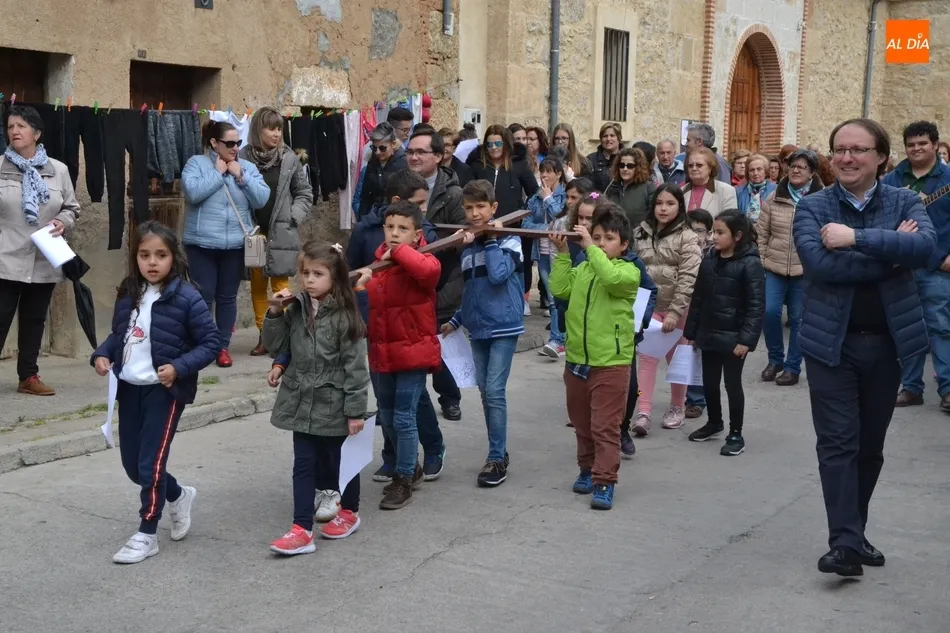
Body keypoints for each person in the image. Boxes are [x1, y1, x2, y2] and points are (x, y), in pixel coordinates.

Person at [794, 118, 935, 577]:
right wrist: (894, 251)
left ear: (881, 158)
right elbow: (820, 265)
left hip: (889, 344)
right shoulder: (813, 207)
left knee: (870, 447)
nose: (847, 158)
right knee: (838, 444)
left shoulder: (906, 199)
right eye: (839, 150)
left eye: (858, 149)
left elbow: (927, 248)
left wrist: (853, 238)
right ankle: (846, 545)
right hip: (830, 346)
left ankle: (854, 532)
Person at [92, 221, 220, 564]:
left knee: (150, 466)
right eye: (144, 255)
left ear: (173, 258)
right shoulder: (128, 293)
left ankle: (147, 532)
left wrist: (179, 367)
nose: (152, 262)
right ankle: (178, 494)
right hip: (129, 390)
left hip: (164, 393)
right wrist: (102, 353)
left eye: (160, 255)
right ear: (135, 258)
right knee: (135, 468)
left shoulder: (187, 297)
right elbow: (121, 335)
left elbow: (211, 342)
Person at [264, 242, 370, 555]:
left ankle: (349, 512)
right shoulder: (296, 308)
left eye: (318, 274)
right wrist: (273, 313)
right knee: (303, 465)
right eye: (305, 273)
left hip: (334, 402)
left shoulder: (345, 317)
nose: (309, 280)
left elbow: (356, 368)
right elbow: (276, 344)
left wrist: (355, 411)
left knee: (340, 462)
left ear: (335, 279)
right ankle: (302, 529)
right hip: (301, 401)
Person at [549, 206, 640, 510]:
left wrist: (589, 248)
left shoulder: (628, 272)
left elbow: (611, 278)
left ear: (624, 245)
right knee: (582, 424)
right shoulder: (585, 268)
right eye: (596, 237)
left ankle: (604, 480)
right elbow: (559, 288)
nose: (600, 243)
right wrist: (563, 253)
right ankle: (586, 469)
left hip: (611, 363)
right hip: (577, 359)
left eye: (608, 238)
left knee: (605, 426)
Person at [353, 201, 442, 509]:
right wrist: (363, 289)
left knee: (404, 417)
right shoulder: (379, 269)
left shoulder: (426, 261)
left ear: (417, 235)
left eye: (403, 229)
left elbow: (426, 271)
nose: (394, 234)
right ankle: (410, 466)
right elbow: (374, 314)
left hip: (413, 354)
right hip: (384, 353)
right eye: (390, 228)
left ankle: (403, 477)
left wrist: (400, 252)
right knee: (387, 416)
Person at [442, 180, 525, 487]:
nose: (474, 213)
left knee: (494, 391)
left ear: (493, 208)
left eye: (480, 207)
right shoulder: (467, 247)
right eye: (469, 208)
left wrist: (491, 240)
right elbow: (472, 291)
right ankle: (498, 453)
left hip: (504, 326)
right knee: (485, 394)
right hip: (477, 327)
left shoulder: (510, 241)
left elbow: (499, 275)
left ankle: (496, 456)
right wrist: (456, 319)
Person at [0, 105, 81, 396]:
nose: (15, 131)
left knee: (35, 319)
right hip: (5, 256)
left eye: (21, 126)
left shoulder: (57, 170)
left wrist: (62, 220)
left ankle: (28, 377)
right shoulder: (1, 167)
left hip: (43, 257)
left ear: (37, 133)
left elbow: (72, 208)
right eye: (10, 127)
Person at [182, 120, 270, 369]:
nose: (235, 148)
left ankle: (222, 347)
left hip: (235, 244)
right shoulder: (196, 164)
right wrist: (217, 172)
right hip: (201, 244)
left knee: (227, 297)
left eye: (238, 143)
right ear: (214, 143)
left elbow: (262, 198)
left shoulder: (247, 167)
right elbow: (193, 193)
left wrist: (240, 176)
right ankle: (202, 345)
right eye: (229, 143)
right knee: (203, 296)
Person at [683, 210, 765, 455]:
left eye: (720, 232)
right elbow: (698, 298)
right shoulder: (709, 259)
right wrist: (693, 332)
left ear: (737, 236)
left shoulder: (750, 264)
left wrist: (746, 340)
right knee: (709, 382)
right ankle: (714, 422)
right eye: (712, 232)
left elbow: (756, 306)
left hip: (734, 339)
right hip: (709, 333)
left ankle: (735, 433)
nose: (713, 237)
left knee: (732, 384)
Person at [882, 121, 950, 409]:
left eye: (922, 143)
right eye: (911, 144)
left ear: (935, 144)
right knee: (905, 328)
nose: (916, 148)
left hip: (937, 266)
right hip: (901, 266)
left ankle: (947, 388)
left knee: (941, 327)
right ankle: (911, 387)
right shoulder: (892, 180)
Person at [239, 107, 314, 356]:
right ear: (257, 129)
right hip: (255, 231)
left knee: (281, 283)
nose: (276, 133)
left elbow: (305, 192)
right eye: (271, 128)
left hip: (282, 232)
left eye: (279, 128)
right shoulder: (243, 158)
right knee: (258, 286)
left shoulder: (289, 159)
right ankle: (264, 336)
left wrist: (293, 217)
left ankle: (281, 334)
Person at [631, 184, 702, 434]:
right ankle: (643, 411)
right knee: (647, 360)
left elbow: (688, 277)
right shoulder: (640, 232)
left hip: (678, 309)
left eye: (670, 203)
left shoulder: (688, 236)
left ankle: (677, 407)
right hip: (649, 308)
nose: (663, 208)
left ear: (679, 207)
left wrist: (675, 311)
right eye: (659, 202)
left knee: (677, 361)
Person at [757, 149, 824, 386]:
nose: (796, 170)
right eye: (793, 166)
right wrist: (763, 258)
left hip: (805, 271)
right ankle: (775, 359)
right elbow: (762, 232)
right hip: (774, 267)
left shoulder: (822, 200)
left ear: (812, 173)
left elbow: (827, 236)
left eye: (802, 167)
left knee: (798, 319)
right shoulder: (775, 197)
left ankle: (792, 367)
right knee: (770, 313)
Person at [466, 124, 538, 316]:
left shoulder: (519, 165)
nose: (494, 148)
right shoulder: (477, 166)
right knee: (486, 264)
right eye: (490, 144)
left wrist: (523, 211)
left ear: (505, 144)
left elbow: (534, 192)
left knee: (515, 265)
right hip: (483, 225)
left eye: (498, 143)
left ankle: (519, 298)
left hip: (511, 226)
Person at [523, 156, 568, 358]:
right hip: (540, 252)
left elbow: (560, 216)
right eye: (542, 171)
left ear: (558, 173)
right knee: (552, 297)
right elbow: (526, 223)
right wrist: (545, 229)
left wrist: (548, 198)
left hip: (559, 252)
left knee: (557, 296)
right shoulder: (534, 197)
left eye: (549, 171)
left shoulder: (564, 195)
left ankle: (558, 340)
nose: (544, 175)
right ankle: (559, 339)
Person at [684, 208, 714, 419]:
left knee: (697, 354)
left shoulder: (713, 255)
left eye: (700, 231)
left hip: (705, 309)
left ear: (709, 233)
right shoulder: (681, 249)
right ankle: (679, 396)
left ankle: (696, 399)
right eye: (691, 230)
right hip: (681, 306)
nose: (696, 236)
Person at [354, 122, 408, 218]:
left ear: (393, 144)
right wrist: (362, 221)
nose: (377, 152)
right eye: (374, 148)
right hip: (373, 217)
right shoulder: (373, 162)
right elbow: (365, 196)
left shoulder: (403, 164)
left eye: (382, 148)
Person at [604, 147, 656, 229]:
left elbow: (653, 217)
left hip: (639, 238)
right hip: (614, 236)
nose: (625, 169)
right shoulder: (612, 187)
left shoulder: (648, 188)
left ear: (638, 167)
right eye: (621, 165)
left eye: (630, 166)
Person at [681, 147, 738, 217]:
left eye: (699, 165)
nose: (694, 168)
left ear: (710, 168)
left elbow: (730, 222)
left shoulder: (726, 191)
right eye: (690, 165)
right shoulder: (682, 191)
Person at [735, 154, 776, 222]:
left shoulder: (775, 190)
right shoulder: (738, 192)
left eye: (759, 169)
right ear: (747, 173)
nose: (755, 173)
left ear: (765, 171)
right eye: (752, 170)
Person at [587, 122, 624, 192]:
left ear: (619, 138)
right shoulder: (591, 160)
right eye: (605, 136)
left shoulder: (627, 159)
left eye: (612, 135)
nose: (608, 139)